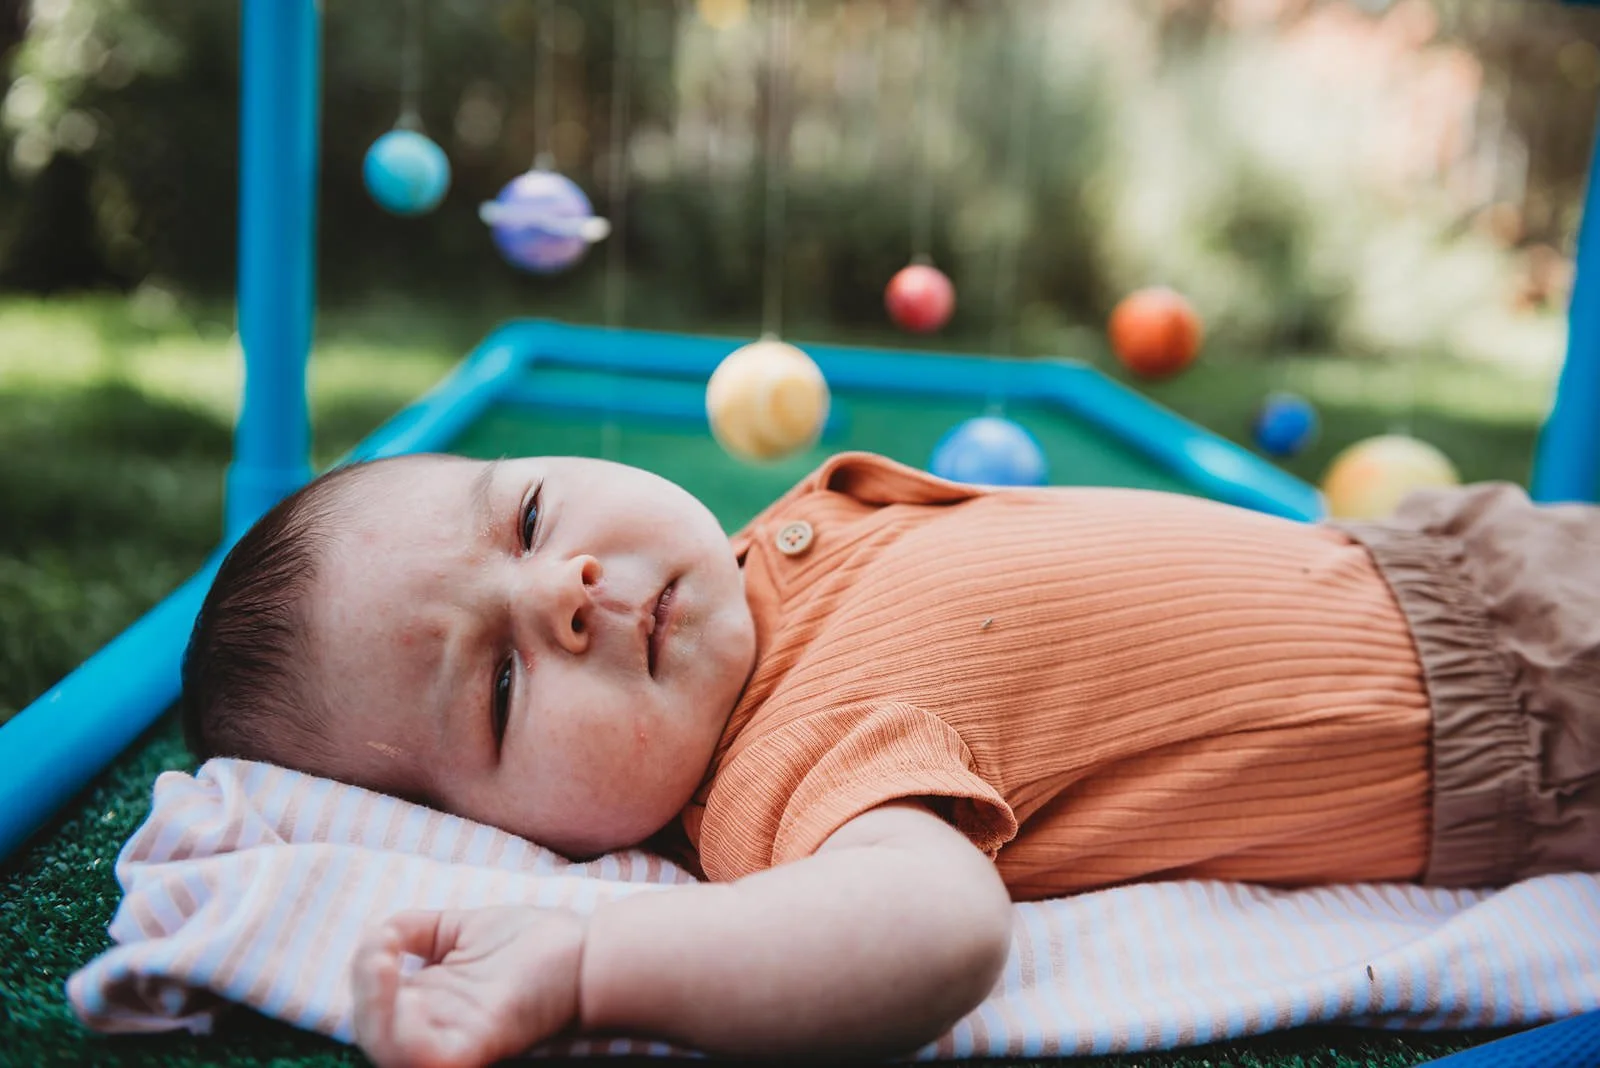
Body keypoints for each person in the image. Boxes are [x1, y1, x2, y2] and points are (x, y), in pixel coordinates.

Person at [181, 450, 1600, 1067]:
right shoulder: (784, 780)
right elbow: (929, 930)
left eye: (532, 515)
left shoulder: (772, 560)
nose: (566, 590)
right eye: (499, 687)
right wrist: (587, 961)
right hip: (1543, 719)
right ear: (528, 838)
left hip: (1462, 550)